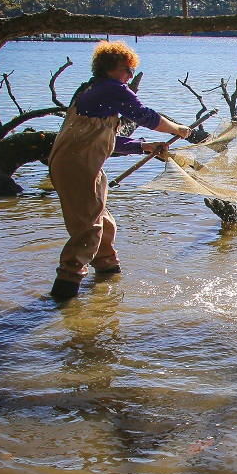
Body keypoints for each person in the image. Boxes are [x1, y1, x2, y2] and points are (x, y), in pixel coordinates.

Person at [48, 41, 191, 301]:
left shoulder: (90, 90)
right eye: (127, 69)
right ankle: (64, 295)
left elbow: (105, 139)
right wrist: (176, 129)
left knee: (105, 225)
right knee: (88, 230)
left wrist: (144, 147)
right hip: (78, 165)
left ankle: (107, 277)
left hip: (78, 163)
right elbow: (145, 116)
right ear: (110, 68)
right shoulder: (111, 88)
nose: (130, 76)